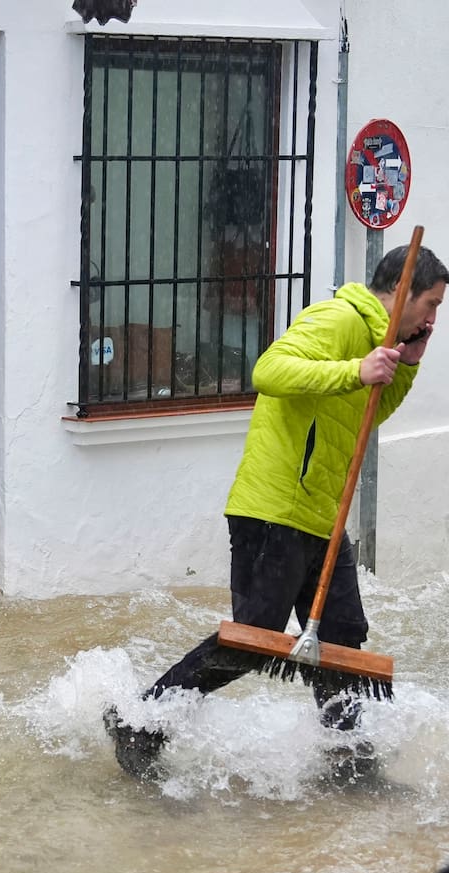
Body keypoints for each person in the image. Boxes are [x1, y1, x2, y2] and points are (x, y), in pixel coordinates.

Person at [105, 244, 446, 780]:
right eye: (430, 303)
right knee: (255, 635)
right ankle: (142, 720)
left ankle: (348, 761)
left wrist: (404, 364)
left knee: (342, 640)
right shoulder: (338, 318)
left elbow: (370, 412)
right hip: (275, 510)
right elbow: (269, 370)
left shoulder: (381, 342)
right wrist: (354, 368)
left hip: (321, 517)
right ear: (400, 290)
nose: (432, 318)